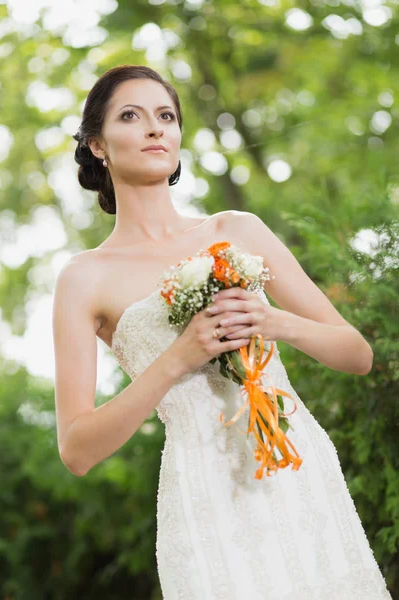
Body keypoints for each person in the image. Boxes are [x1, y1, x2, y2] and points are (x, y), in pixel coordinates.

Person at [52, 64, 392, 599]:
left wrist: (274, 322)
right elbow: (76, 450)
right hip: (205, 492)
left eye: (166, 116)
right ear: (98, 144)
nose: (155, 128)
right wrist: (176, 359)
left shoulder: (236, 230)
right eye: (131, 116)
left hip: (296, 469)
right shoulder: (83, 278)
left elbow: (357, 354)